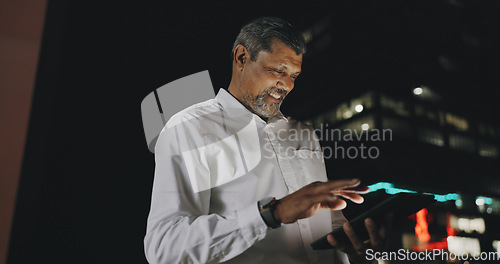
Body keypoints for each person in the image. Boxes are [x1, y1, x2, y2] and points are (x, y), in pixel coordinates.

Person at [144, 17, 389, 264]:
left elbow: (326, 222)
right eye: (278, 70)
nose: (288, 85)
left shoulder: (303, 133)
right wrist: (271, 214)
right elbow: (165, 248)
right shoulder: (189, 127)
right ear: (241, 58)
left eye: (294, 75)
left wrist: (355, 244)